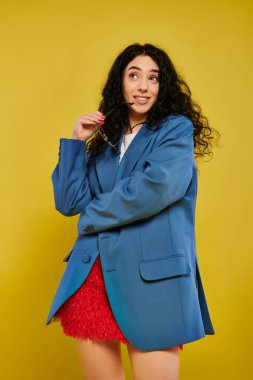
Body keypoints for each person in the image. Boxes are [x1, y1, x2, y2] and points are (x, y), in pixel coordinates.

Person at [46, 43, 219, 380]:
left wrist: (91, 217)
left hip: (154, 282)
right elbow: (68, 203)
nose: (143, 86)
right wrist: (76, 142)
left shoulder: (175, 130)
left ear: (162, 86)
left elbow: (155, 189)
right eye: (134, 75)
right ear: (120, 83)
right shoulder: (106, 140)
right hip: (93, 278)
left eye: (153, 78)